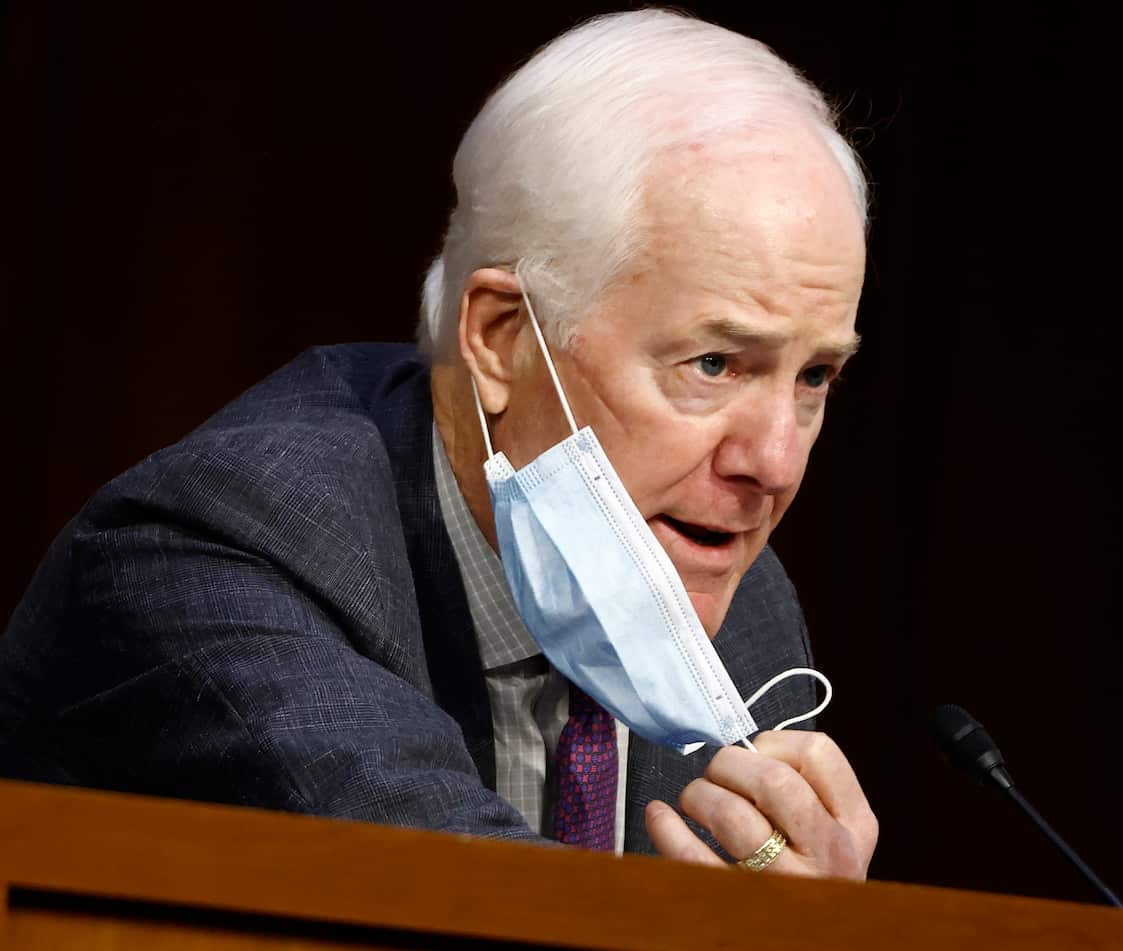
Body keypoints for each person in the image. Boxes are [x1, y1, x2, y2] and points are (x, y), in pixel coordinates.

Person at [0, 10, 876, 878]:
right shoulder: (226, 547)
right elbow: (468, 907)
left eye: (815, 378)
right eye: (713, 363)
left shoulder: (744, 611)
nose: (774, 464)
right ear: (500, 339)